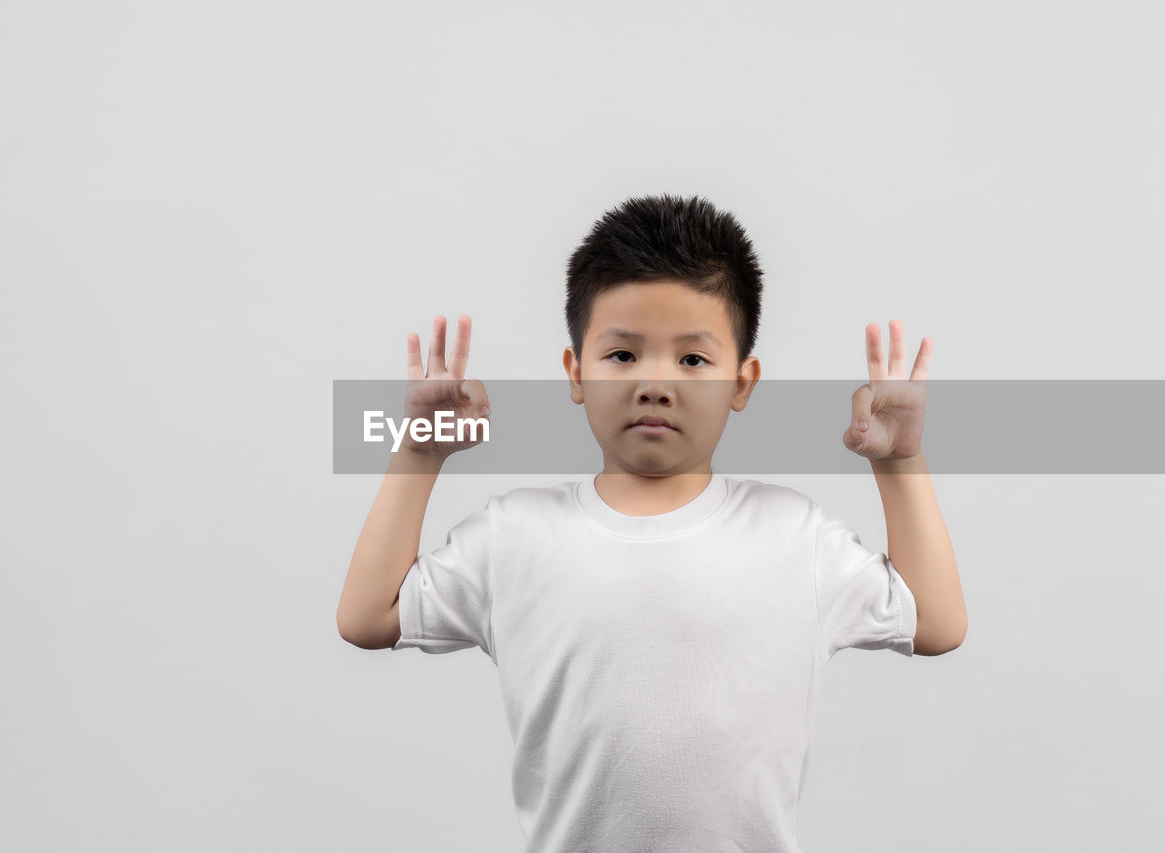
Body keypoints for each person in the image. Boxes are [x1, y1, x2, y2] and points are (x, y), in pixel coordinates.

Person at [336, 194, 968, 852]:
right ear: (575, 371)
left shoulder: (790, 533)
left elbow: (936, 621)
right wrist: (419, 450)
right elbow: (368, 616)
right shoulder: (515, 535)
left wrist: (901, 463)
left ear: (742, 382)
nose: (655, 383)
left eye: (693, 360)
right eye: (622, 356)